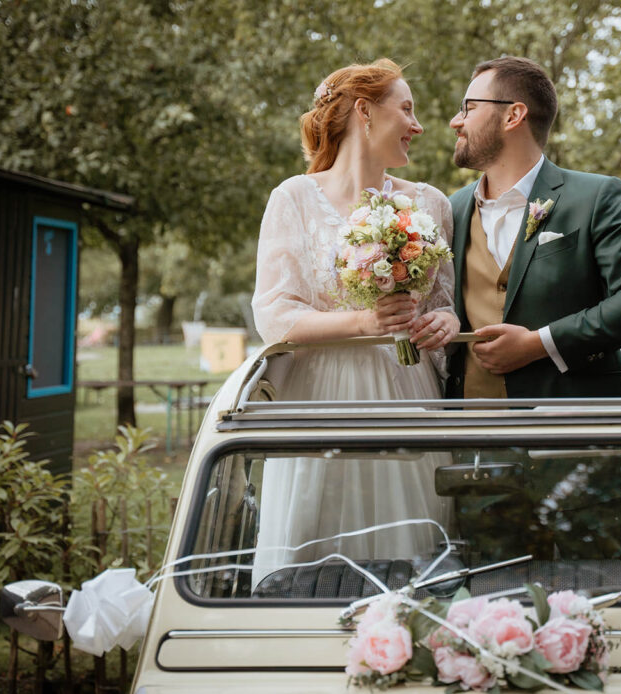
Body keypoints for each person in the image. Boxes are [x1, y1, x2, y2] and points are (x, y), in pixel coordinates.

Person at [249, 59, 457, 588]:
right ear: (365, 111)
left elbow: (446, 304)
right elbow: (275, 315)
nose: (418, 125)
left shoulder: (429, 202)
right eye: (406, 109)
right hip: (319, 402)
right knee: (312, 557)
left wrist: (442, 323)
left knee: (407, 557)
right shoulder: (292, 197)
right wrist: (365, 321)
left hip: (407, 394)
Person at [446, 56, 621, 400]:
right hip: (469, 437)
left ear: (513, 115)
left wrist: (539, 343)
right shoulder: (451, 209)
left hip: (577, 433)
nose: (455, 122)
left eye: (469, 108)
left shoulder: (596, 196)